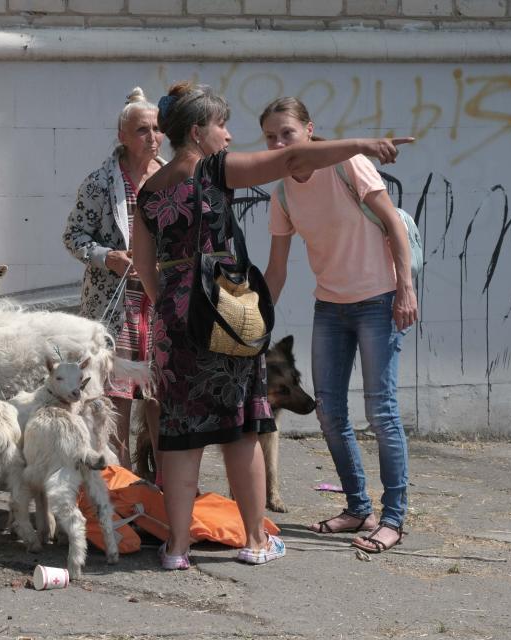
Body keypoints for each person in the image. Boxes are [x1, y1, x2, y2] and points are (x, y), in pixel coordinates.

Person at [132, 81, 412, 569]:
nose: (228, 134)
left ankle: (176, 549)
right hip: (224, 313)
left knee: (178, 435)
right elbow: (290, 162)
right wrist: (364, 143)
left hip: (173, 319)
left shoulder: (149, 190)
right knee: (242, 428)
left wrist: (172, 308)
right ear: (197, 132)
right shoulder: (214, 168)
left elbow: (142, 262)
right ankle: (256, 541)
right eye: (221, 125)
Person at [260, 96, 417, 554]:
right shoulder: (283, 192)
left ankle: (392, 519)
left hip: (378, 300)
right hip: (330, 306)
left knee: (381, 412)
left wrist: (405, 288)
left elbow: (393, 224)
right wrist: (255, 323)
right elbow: (276, 268)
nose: (278, 143)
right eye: (270, 136)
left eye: (286, 133)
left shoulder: (348, 165)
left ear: (309, 130)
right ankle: (357, 509)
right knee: (328, 412)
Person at [63, 87, 165, 475]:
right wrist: (108, 258)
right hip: (116, 303)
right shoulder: (99, 183)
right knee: (115, 395)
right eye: (142, 130)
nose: (152, 137)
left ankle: (164, 482)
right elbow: (73, 237)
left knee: (160, 395)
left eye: (157, 129)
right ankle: (119, 479)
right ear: (122, 135)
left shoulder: (173, 179)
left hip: (159, 303)